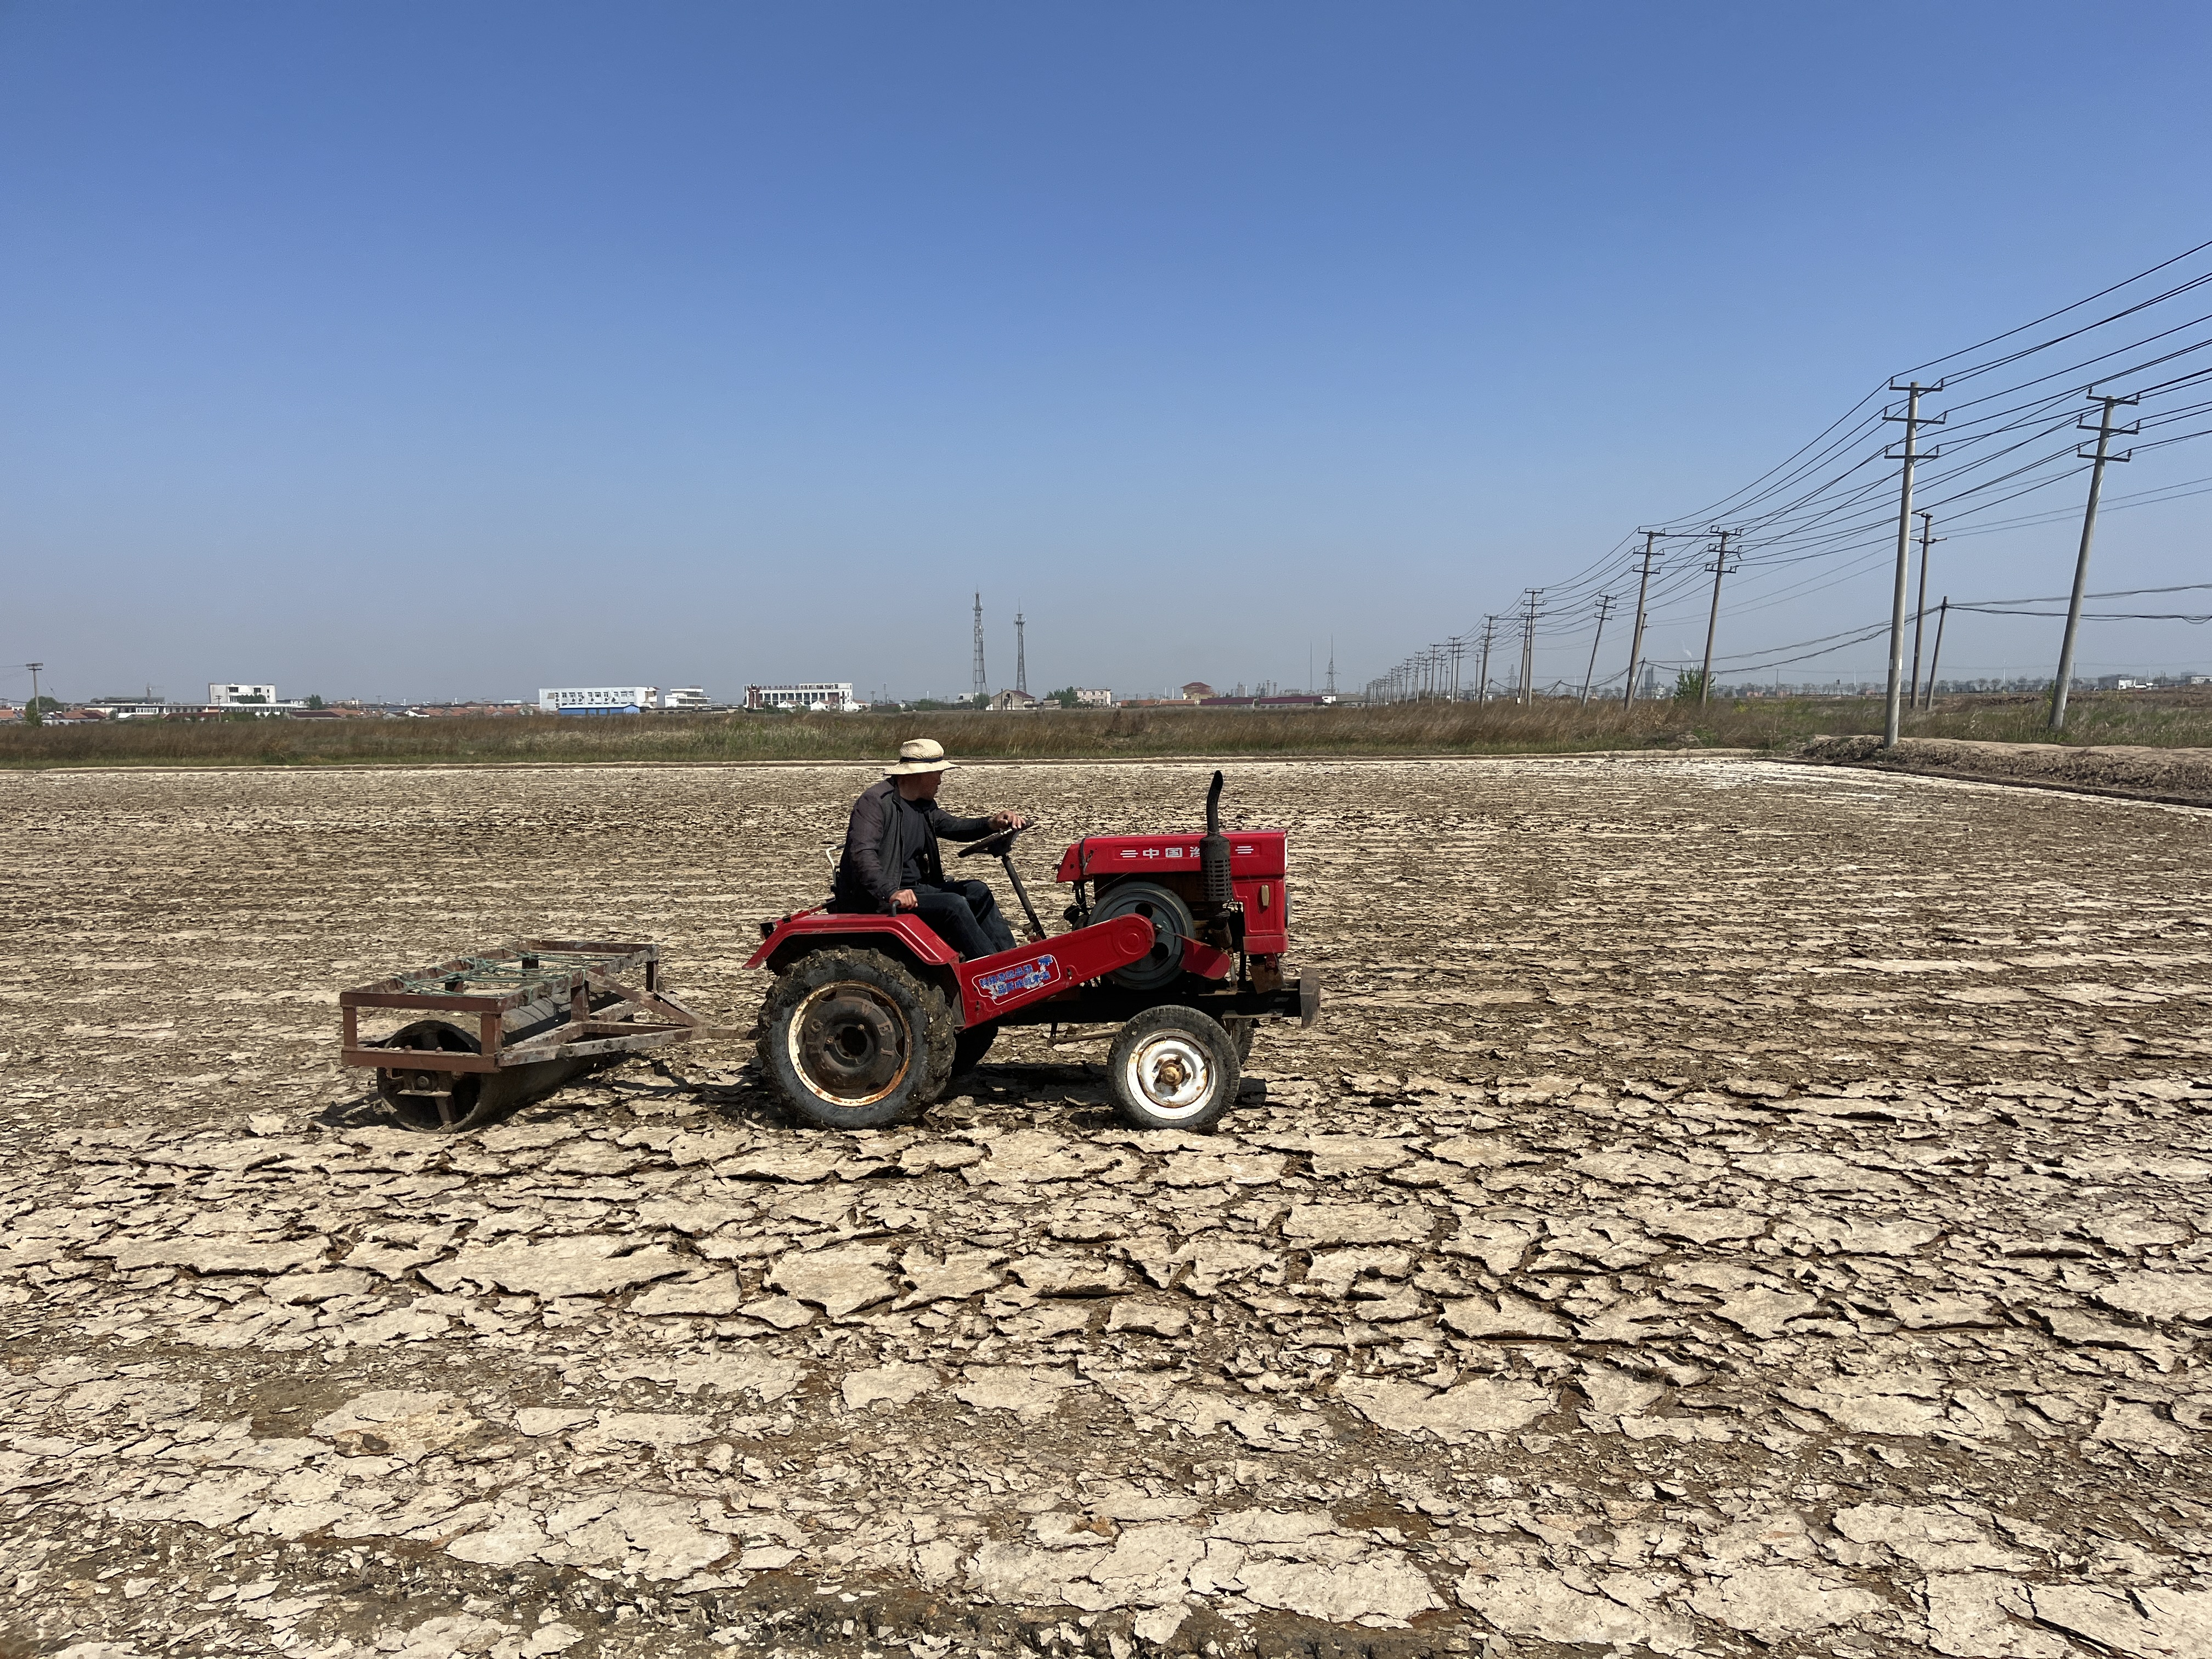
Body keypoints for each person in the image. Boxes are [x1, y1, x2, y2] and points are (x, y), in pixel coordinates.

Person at [830, 738, 1030, 958]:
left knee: (978, 891)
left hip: (916, 888)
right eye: (938, 774)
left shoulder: (923, 804)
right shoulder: (875, 802)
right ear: (919, 774)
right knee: (953, 904)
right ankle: (989, 967)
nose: (940, 781)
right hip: (879, 897)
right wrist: (891, 891)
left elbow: (954, 827)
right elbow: (862, 854)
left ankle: (1011, 959)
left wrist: (991, 823)